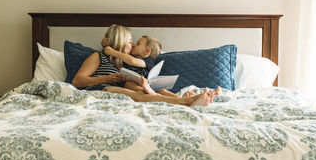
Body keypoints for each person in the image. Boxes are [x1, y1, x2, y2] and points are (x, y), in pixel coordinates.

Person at [72, 24, 218, 106]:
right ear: (120, 41)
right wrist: (107, 79)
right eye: (130, 41)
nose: (133, 44)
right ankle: (186, 102)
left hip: (117, 91)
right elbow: (77, 81)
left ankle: (193, 99)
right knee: (137, 94)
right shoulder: (98, 56)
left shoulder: (125, 62)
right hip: (101, 90)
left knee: (146, 92)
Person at [103, 35, 197, 98]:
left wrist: (112, 52)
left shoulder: (147, 60)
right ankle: (150, 92)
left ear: (146, 51)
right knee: (128, 84)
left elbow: (132, 61)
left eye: (138, 43)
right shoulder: (130, 57)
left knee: (162, 90)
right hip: (135, 84)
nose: (134, 45)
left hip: (149, 84)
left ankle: (180, 98)